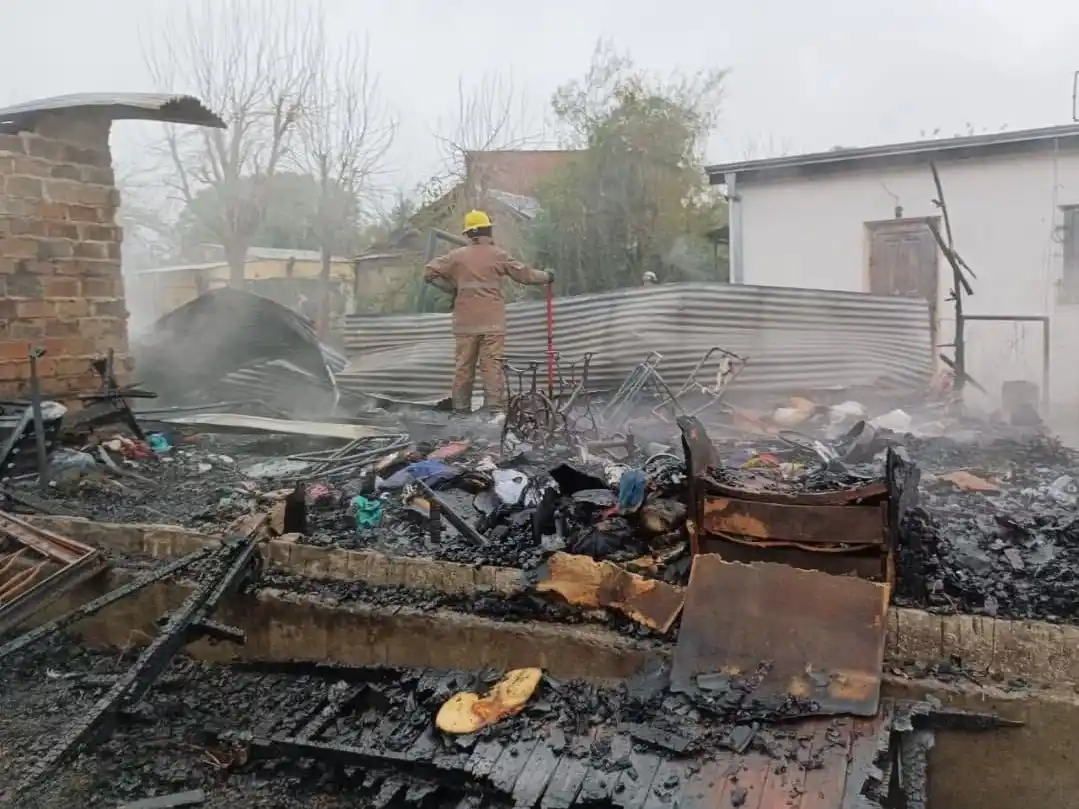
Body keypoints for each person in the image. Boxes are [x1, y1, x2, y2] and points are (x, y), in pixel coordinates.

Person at [424, 210, 553, 414]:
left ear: (468, 234)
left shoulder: (455, 257)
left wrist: (452, 288)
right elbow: (525, 275)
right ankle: (494, 412)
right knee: (492, 367)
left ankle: (461, 412)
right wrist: (546, 276)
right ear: (487, 231)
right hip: (492, 323)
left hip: (465, 323)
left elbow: (429, 272)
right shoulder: (498, 255)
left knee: (463, 368)